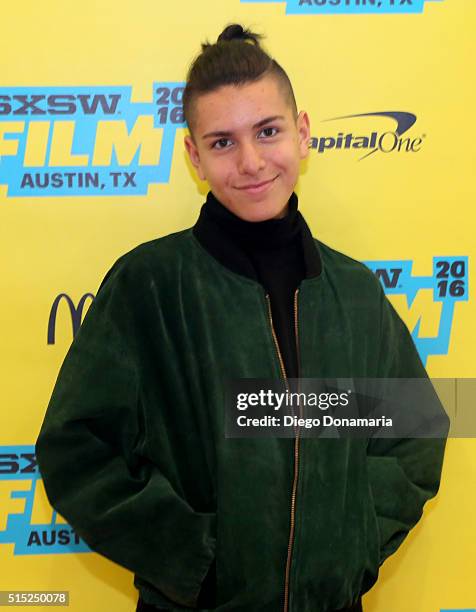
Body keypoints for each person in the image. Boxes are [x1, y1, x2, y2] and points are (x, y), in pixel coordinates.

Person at [35, 24, 448, 612]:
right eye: (222, 142)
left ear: (302, 134)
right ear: (193, 156)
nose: (251, 162)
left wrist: (350, 544)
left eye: (268, 131)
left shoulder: (354, 291)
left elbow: (417, 431)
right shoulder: (147, 286)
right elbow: (77, 449)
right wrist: (193, 562)